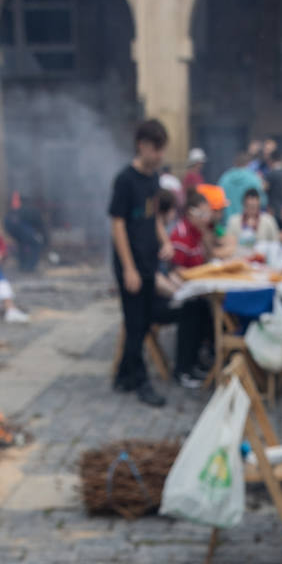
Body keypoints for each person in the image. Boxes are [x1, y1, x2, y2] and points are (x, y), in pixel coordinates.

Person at [108, 117, 172, 407]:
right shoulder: (125, 180)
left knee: (144, 320)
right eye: (155, 149)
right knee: (136, 323)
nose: (159, 155)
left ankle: (123, 376)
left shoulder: (154, 179)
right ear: (141, 146)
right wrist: (129, 269)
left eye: (162, 149)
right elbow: (118, 224)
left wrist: (165, 241)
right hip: (129, 263)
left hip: (149, 260)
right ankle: (141, 381)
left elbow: (154, 215)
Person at [169, 189, 215, 386]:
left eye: (207, 214)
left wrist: (205, 233)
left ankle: (197, 360)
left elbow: (209, 258)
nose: (206, 219)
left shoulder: (197, 232)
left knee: (207, 309)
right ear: (190, 213)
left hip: (195, 290)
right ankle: (182, 369)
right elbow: (176, 270)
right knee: (192, 311)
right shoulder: (181, 234)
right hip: (176, 293)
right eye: (202, 214)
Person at [225, 188, 280, 256]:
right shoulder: (234, 221)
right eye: (249, 207)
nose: (252, 210)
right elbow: (228, 244)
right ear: (244, 205)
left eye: (254, 207)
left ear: (259, 204)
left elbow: (275, 243)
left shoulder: (268, 221)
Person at [4, 192, 46, 272]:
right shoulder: (30, 209)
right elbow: (39, 224)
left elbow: (7, 224)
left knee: (22, 247)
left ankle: (23, 266)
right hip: (25, 231)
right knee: (36, 245)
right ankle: (30, 267)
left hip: (17, 232)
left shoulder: (15, 211)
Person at [217, 152, 263, 220]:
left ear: (235, 164)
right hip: (248, 223)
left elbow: (218, 202)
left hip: (226, 223)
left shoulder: (224, 178)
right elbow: (262, 202)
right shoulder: (254, 179)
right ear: (248, 164)